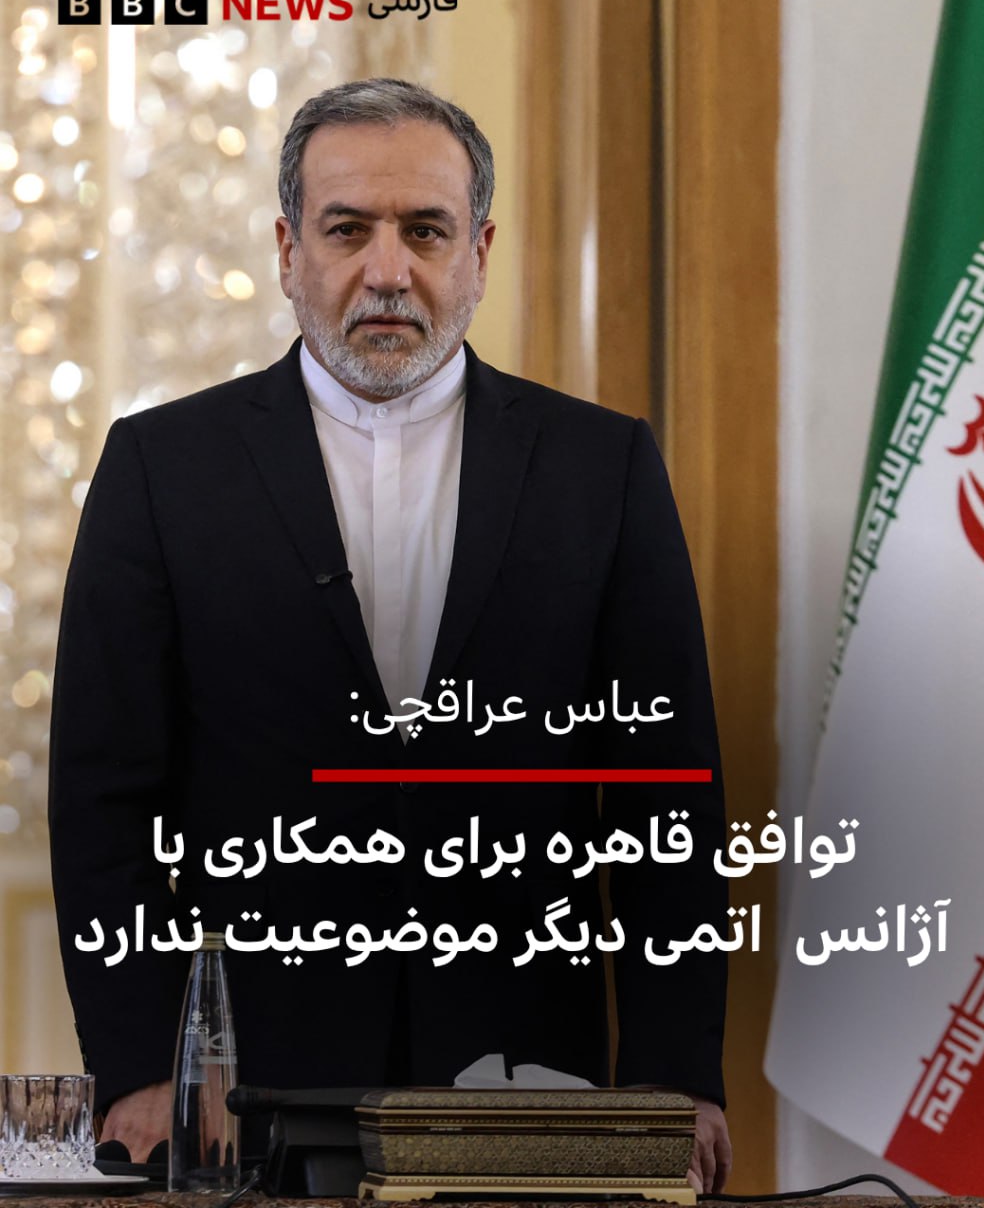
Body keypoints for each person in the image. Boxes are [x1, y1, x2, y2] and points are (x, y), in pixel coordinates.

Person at [49, 78, 731, 1191]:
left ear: (479, 252)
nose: (386, 270)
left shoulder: (601, 469)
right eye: (346, 229)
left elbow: (668, 797)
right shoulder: (161, 470)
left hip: (530, 1078)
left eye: (424, 230)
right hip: (244, 1086)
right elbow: (103, 804)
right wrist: (139, 1066)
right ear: (287, 251)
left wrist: (675, 1077)